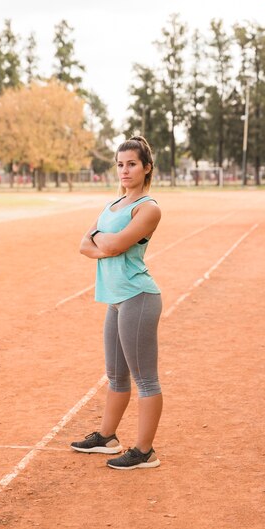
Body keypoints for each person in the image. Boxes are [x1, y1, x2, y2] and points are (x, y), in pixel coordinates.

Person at [71, 136, 163, 470]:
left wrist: (100, 241)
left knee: (146, 380)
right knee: (115, 376)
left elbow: (111, 246)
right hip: (115, 299)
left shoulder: (148, 208)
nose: (124, 170)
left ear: (147, 167)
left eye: (132, 164)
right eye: (120, 164)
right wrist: (102, 241)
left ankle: (145, 451)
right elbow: (86, 245)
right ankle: (108, 437)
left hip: (138, 297)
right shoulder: (112, 206)